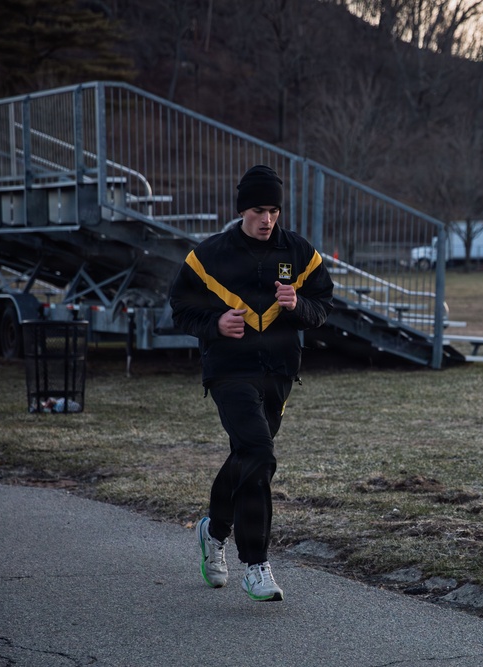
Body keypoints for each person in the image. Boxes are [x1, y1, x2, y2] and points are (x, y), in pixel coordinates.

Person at [168, 165, 334, 601]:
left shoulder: (300, 253)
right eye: (259, 210)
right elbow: (180, 309)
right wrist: (216, 323)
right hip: (229, 370)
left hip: (278, 371)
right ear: (243, 209)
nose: (267, 219)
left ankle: (214, 531)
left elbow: (323, 305)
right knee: (259, 452)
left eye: (274, 210)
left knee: (248, 456)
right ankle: (257, 565)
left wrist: (299, 305)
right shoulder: (208, 256)